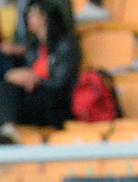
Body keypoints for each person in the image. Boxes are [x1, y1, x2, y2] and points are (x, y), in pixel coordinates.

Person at [0, 0, 80, 142]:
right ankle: (8, 131)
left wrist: (36, 79)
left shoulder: (66, 45)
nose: (27, 19)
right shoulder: (34, 49)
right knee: (5, 87)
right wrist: (23, 79)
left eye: (32, 14)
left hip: (57, 104)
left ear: (44, 17)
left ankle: (8, 131)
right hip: (36, 99)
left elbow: (60, 83)